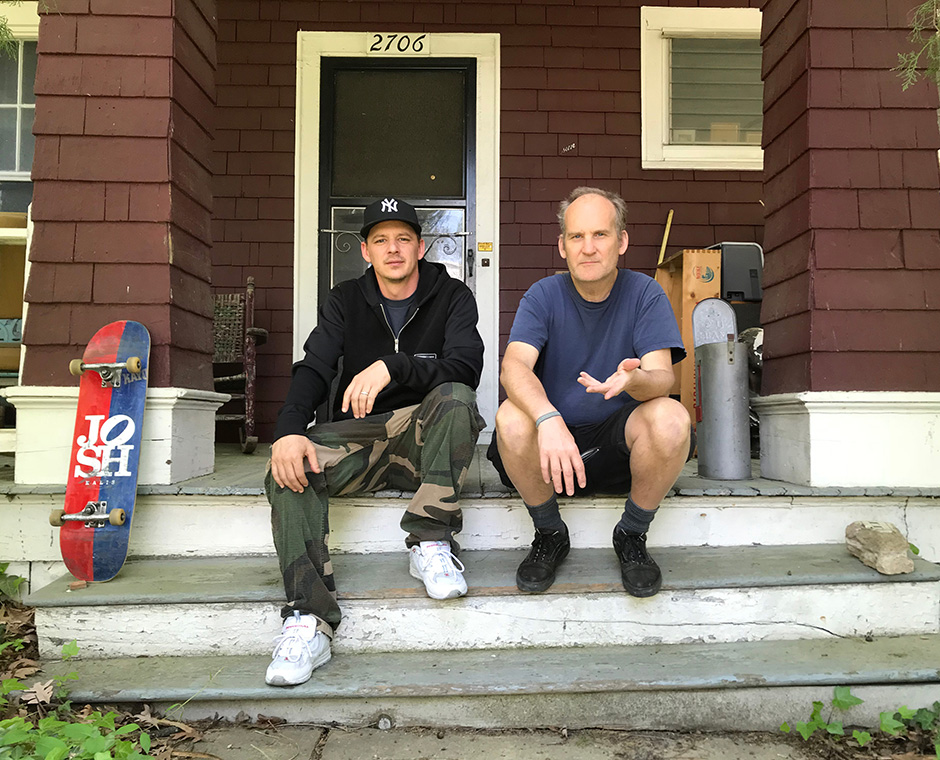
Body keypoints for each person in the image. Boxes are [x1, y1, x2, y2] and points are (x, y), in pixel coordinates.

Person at [264, 196, 485, 686]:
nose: (393, 249)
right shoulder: (344, 299)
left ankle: (430, 540)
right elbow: (315, 368)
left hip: (425, 438)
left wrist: (395, 364)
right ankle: (309, 619)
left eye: (403, 238)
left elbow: (466, 366)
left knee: (456, 397)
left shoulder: (453, 296)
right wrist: (287, 432)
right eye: (381, 240)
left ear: (420, 246)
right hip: (359, 438)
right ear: (365, 250)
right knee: (289, 464)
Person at [487, 187, 692, 599]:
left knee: (672, 417)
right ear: (562, 246)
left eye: (600, 234)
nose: (588, 248)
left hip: (618, 447)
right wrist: (548, 419)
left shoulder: (645, 293)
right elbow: (513, 367)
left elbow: (662, 379)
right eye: (576, 237)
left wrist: (635, 382)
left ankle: (632, 534)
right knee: (511, 416)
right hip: (549, 453)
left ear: (622, 241)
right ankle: (549, 532)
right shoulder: (542, 295)